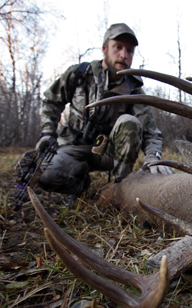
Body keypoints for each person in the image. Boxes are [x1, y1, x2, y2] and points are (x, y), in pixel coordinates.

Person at [35, 23, 172, 196]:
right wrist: (47, 132)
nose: (123, 55)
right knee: (44, 176)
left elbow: (151, 131)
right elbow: (51, 100)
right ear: (104, 48)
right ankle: (81, 187)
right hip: (74, 146)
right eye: (118, 48)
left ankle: (122, 190)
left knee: (130, 123)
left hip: (109, 153)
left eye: (130, 51)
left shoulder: (134, 89)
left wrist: (153, 156)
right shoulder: (78, 74)